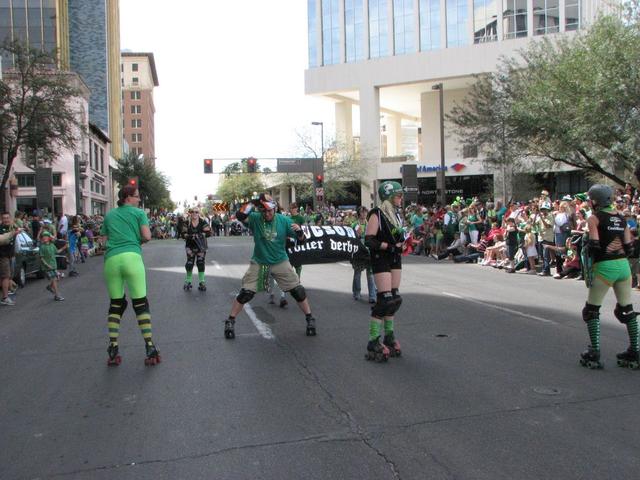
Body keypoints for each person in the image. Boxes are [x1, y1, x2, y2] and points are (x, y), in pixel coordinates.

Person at [224, 193, 316, 339]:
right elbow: (240, 215)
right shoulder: (255, 218)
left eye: (269, 210)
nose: (266, 213)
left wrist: (299, 232)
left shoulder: (284, 220)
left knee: (298, 291)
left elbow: (302, 240)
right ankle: (230, 320)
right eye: (264, 210)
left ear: (274, 209)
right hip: (260, 262)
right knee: (246, 293)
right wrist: (252, 202)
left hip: (280, 261)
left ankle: (310, 318)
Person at [580, 184, 639, 370]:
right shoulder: (621, 217)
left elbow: (594, 243)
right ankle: (635, 350)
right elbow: (630, 246)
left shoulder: (594, 218)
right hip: (623, 267)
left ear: (595, 201)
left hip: (605, 266)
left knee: (592, 310)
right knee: (626, 309)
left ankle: (594, 351)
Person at [100, 185, 160, 366]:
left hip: (111, 261)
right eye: (136, 197)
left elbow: (103, 241)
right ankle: (149, 346)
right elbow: (148, 236)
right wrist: (135, 239)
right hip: (132, 258)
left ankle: (113, 347)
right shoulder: (138, 213)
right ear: (127, 197)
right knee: (140, 303)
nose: (139, 199)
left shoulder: (109, 215)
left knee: (116, 304)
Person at [364, 181, 407, 362]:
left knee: (394, 299)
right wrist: (390, 247)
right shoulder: (377, 214)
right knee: (385, 300)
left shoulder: (396, 215)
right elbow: (369, 240)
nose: (401, 198)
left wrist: (405, 243)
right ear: (389, 197)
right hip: (381, 258)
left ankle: (389, 336)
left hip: (395, 258)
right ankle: (373, 340)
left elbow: (398, 237)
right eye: (398, 195)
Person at [181, 208, 212, 291]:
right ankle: (188, 281)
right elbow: (183, 234)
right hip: (190, 245)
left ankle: (202, 282)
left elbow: (209, 232)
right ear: (190, 213)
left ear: (199, 213)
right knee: (189, 263)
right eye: (192, 212)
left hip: (200, 245)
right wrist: (190, 236)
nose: (194, 213)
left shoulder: (203, 222)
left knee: (200, 263)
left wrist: (201, 234)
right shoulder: (187, 223)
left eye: (196, 212)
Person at [351, 206, 377, 303]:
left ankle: (372, 296)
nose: (364, 214)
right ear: (359, 214)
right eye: (362, 212)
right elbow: (352, 237)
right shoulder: (355, 224)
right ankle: (356, 293)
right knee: (358, 272)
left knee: (370, 274)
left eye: (365, 212)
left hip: (369, 252)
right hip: (358, 251)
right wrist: (357, 234)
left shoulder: (369, 224)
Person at [0, 213, 21, 306]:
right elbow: (3, 240)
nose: (6, 220)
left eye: (8, 218)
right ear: (1, 219)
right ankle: (5, 297)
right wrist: (14, 233)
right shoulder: (1, 229)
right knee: (6, 276)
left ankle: (8, 291)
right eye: (4, 218)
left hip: (10, 255)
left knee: (8, 276)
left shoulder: (12, 227)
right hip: (2, 256)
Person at [39, 231, 65, 301]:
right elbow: (41, 258)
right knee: (54, 280)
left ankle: (50, 287)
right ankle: (57, 295)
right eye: (43, 236)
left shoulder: (52, 245)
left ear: (49, 238)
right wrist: (46, 265)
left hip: (54, 265)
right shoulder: (42, 247)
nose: (44, 237)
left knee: (58, 278)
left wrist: (64, 247)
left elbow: (57, 252)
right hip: (47, 267)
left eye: (46, 236)